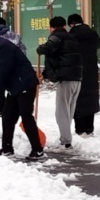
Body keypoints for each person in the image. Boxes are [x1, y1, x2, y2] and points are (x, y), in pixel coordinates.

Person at [0, 27, 44, 159]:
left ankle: (37, 149)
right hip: (14, 87)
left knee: (26, 116)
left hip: (25, 84)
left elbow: (5, 68)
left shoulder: (3, 47)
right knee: (8, 116)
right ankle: (7, 148)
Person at [37, 16, 83, 149]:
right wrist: (46, 74)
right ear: (64, 26)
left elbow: (47, 48)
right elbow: (60, 57)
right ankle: (66, 138)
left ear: (52, 27)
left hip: (66, 79)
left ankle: (66, 141)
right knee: (69, 109)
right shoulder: (72, 38)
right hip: (77, 77)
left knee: (62, 111)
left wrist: (40, 49)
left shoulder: (57, 36)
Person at [67, 13, 100, 136]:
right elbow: (99, 44)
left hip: (77, 71)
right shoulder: (92, 33)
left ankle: (80, 129)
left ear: (71, 23)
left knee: (78, 99)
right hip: (91, 71)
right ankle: (89, 128)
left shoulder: (71, 35)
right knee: (91, 98)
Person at [0, 17, 27, 114]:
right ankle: (15, 107)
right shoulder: (15, 35)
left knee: (0, 85)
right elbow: (22, 49)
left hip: (1, 66)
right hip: (15, 66)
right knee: (14, 86)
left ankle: (0, 108)